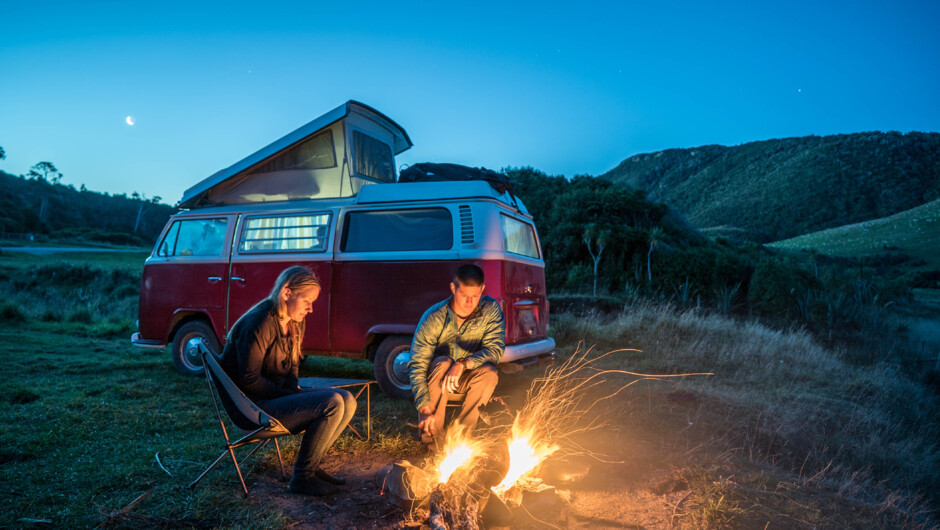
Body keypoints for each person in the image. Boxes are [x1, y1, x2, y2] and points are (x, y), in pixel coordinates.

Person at [219, 266, 356, 496]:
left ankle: (312, 465)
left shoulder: (291, 322)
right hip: (252, 407)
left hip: (272, 398)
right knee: (332, 402)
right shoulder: (260, 323)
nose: (311, 309)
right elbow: (250, 380)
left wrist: (293, 392)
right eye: (307, 301)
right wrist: (289, 395)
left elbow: (292, 368)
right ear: (286, 293)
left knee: (347, 399)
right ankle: (302, 478)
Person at [408, 264, 505, 450]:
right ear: (453, 288)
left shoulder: (491, 310)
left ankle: (461, 440)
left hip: (468, 375)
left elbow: (495, 350)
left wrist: (463, 363)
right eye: (464, 295)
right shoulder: (434, 317)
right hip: (438, 380)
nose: (469, 302)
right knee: (443, 362)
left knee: (489, 373)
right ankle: (432, 440)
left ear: (482, 290)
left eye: (475, 296)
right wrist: (424, 406)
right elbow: (418, 364)